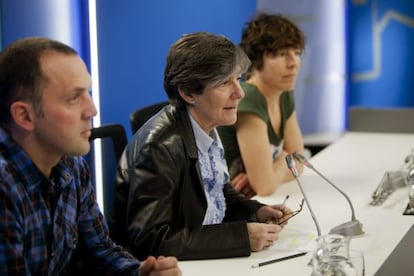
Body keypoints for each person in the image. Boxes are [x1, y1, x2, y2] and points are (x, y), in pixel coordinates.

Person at [0, 37, 181, 275]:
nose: (92, 109)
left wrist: (140, 272)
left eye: (87, 92)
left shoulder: (71, 167)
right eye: (74, 97)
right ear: (24, 116)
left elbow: (99, 252)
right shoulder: (4, 187)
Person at [111, 32, 293, 261]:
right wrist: (240, 237)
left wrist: (255, 211)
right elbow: (150, 241)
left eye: (237, 78)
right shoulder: (160, 148)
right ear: (187, 93)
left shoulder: (206, 127)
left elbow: (217, 193)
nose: (239, 92)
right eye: (224, 82)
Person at [218, 13, 306, 198]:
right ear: (256, 59)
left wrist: (272, 173)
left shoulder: (283, 93)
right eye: (281, 54)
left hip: (251, 201)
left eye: (297, 53)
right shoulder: (249, 98)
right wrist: (283, 160)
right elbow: (265, 186)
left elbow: (299, 162)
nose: (293, 63)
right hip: (221, 208)